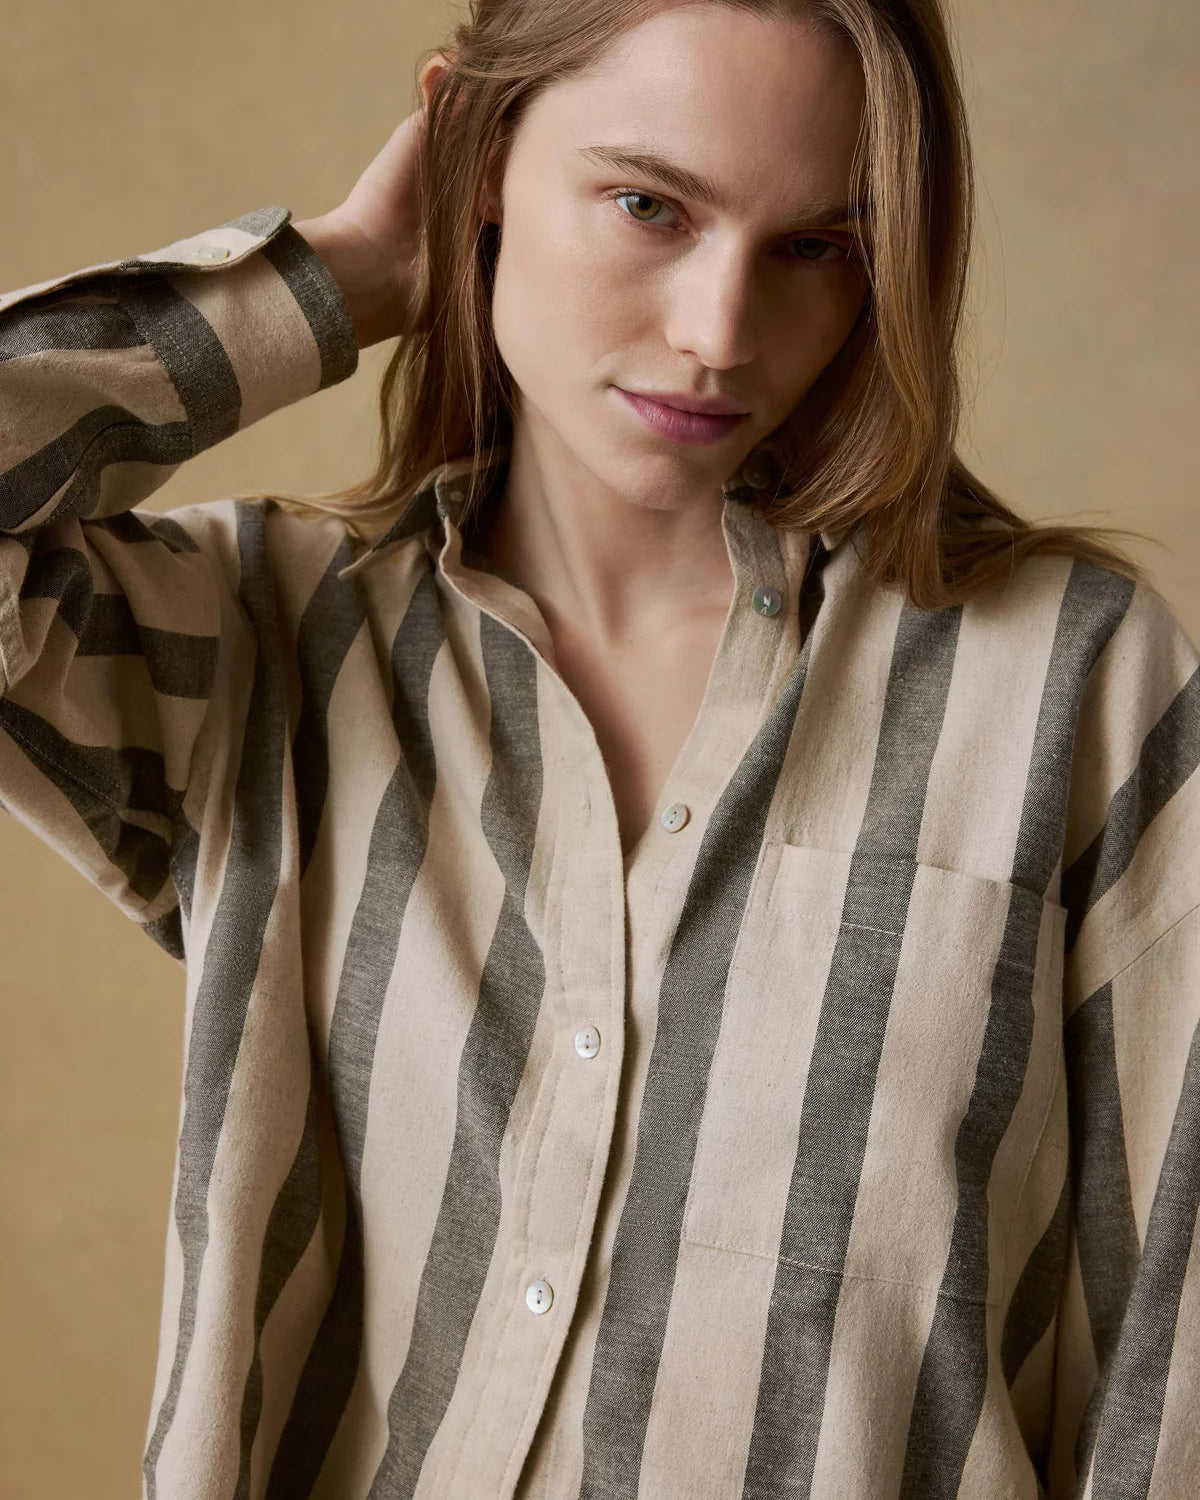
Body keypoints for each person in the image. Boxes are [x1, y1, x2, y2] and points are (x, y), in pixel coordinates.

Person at [1, 0, 1197, 1495]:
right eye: (648, 206)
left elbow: (1174, 1364)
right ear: (476, 148)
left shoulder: (1078, 686)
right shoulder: (261, 646)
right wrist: (345, 275)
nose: (718, 333)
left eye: (815, 245)